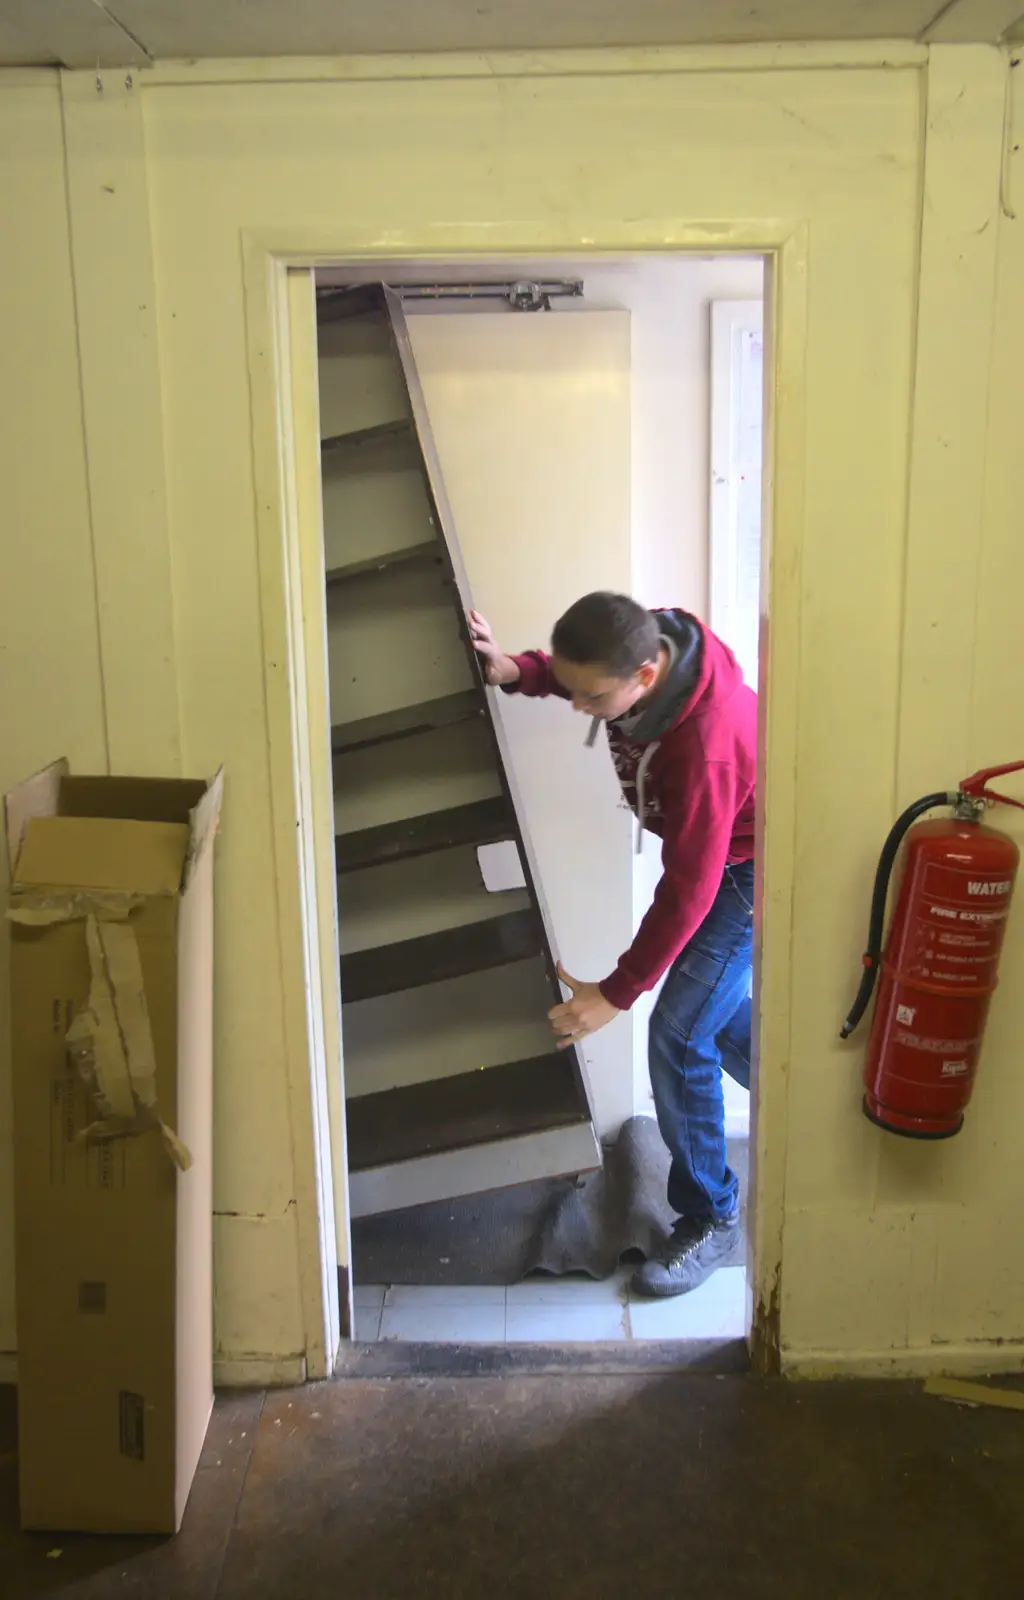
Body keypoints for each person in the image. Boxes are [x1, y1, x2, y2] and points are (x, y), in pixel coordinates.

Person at [469, 593, 757, 1299]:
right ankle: (806, 1104)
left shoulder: (705, 744)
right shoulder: (645, 636)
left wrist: (616, 992)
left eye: (590, 696)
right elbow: (575, 670)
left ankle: (712, 1216)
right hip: (716, 861)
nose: (577, 706)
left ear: (648, 677)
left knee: (679, 1032)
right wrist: (515, 670)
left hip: (745, 870)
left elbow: (690, 885)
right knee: (712, 1020)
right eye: (571, 688)